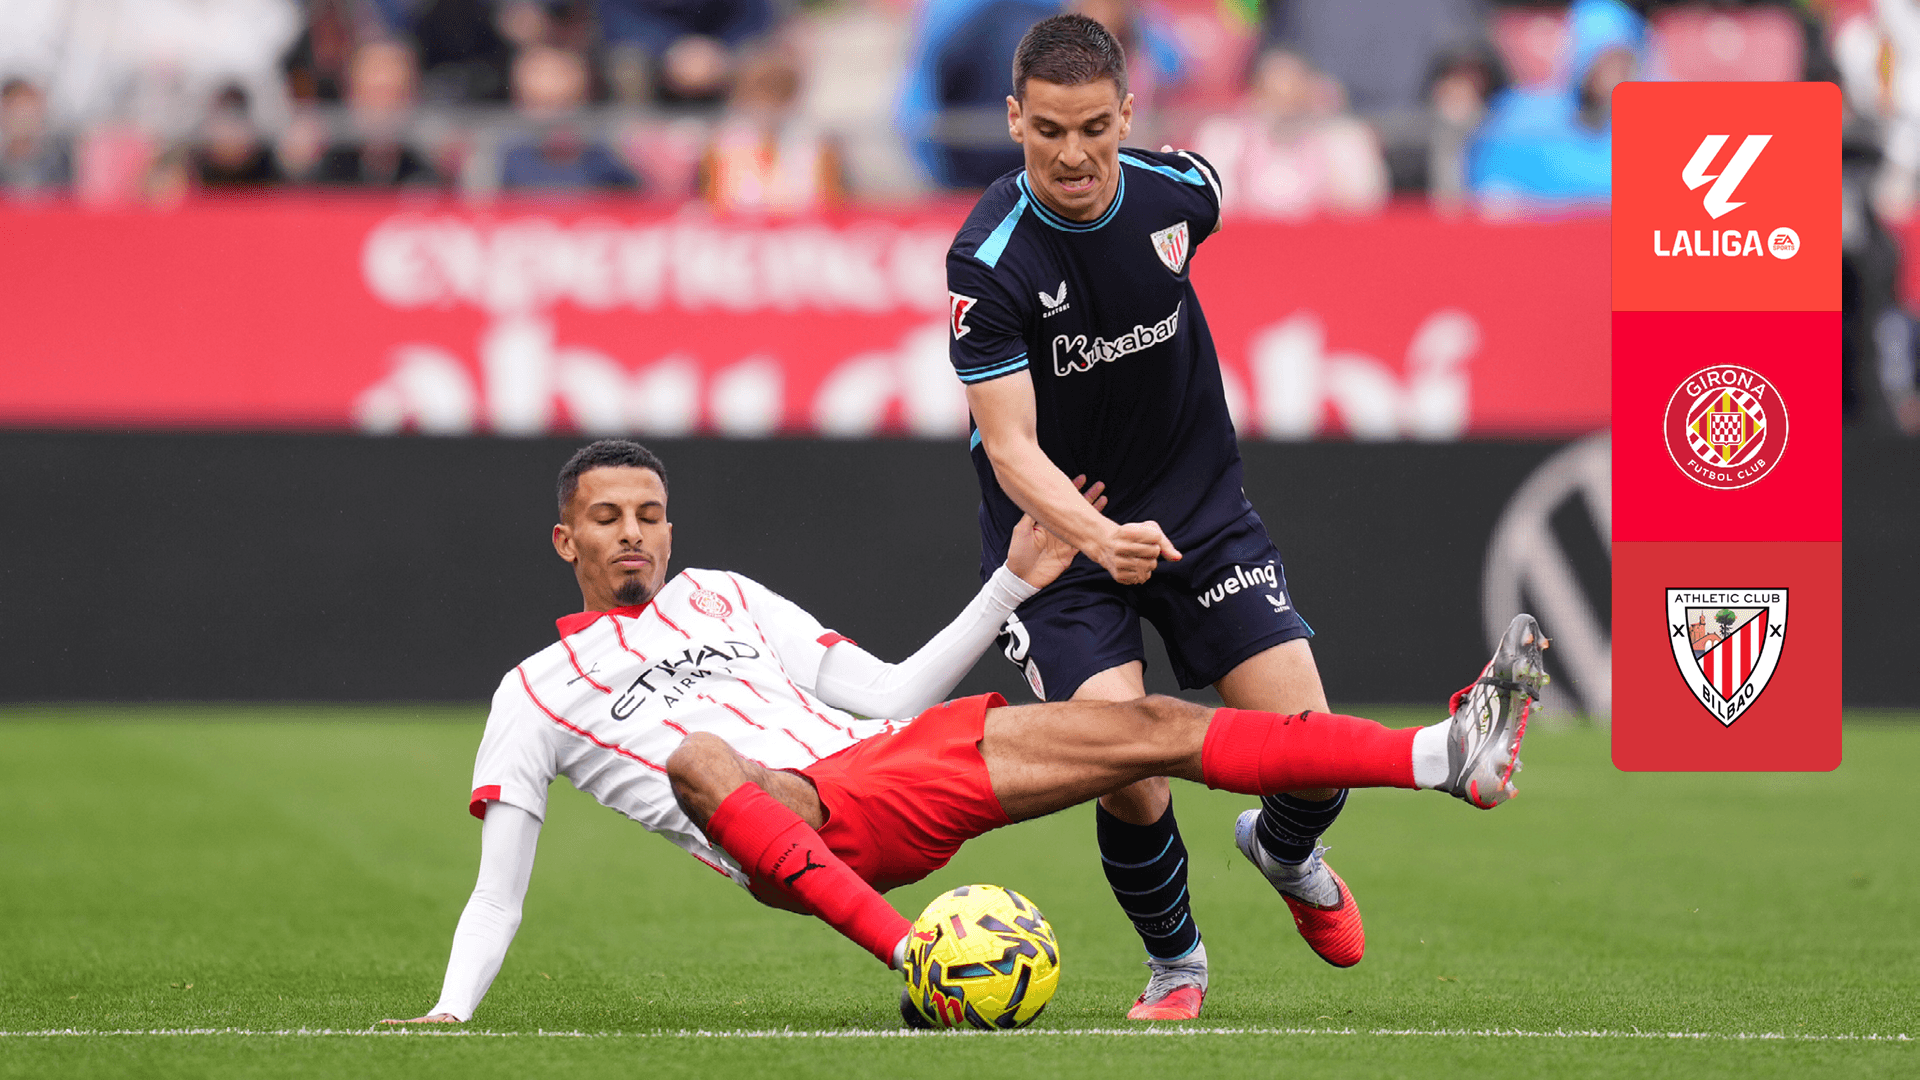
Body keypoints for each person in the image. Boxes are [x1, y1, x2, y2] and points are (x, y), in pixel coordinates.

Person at [384, 439, 1544, 1025]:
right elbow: (497, 893)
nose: (633, 533)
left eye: (649, 514)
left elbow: (889, 693)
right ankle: (918, 961)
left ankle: (1446, 758)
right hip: (794, 829)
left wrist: (1009, 586)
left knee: (1145, 724)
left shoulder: (724, 595)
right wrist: (449, 1011)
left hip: (886, 767)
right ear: (567, 541)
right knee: (700, 757)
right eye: (607, 519)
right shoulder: (532, 692)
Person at [943, 13, 1365, 1020]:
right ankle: (1177, 965)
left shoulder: (1185, 192)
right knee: (1127, 766)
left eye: (1095, 128)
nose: (1073, 155)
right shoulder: (987, 261)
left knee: (1312, 751)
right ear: (1014, 119)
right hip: (1060, 549)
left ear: (1128, 115)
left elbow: (1209, 197)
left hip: (1200, 516)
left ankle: (1284, 849)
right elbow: (1010, 447)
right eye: (1050, 130)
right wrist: (1099, 538)